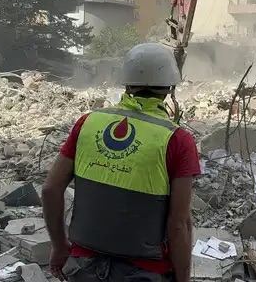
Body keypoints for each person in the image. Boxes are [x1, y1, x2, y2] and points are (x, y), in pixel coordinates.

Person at [42, 43, 201, 282]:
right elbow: (179, 224)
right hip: (145, 273)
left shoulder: (88, 123)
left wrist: (58, 244)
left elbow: (50, 189)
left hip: (84, 267)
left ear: (126, 82)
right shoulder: (177, 140)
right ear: (170, 87)